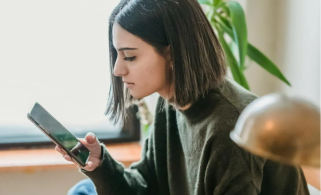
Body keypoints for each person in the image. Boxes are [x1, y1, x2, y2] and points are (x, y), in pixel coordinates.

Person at [55, 0, 310, 194]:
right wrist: (100, 164)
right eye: (118, 55)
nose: (117, 70)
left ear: (172, 54)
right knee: (83, 190)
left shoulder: (229, 125)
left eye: (130, 56)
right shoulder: (170, 104)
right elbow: (147, 186)